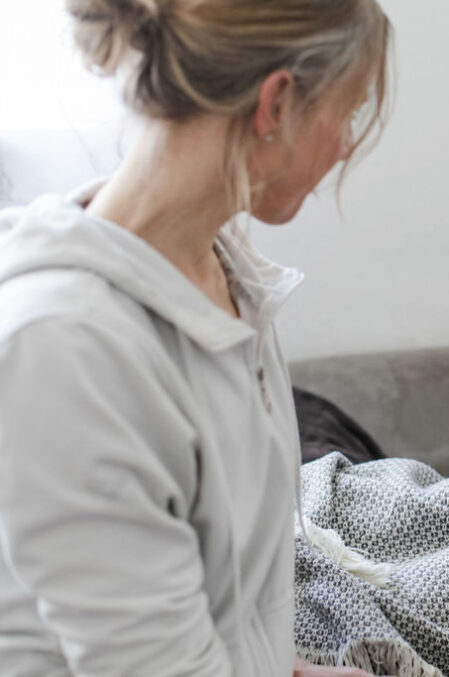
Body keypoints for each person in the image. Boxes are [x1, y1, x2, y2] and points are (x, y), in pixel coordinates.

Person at [0, 0, 390, 675]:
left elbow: (223, 604)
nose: (346, 144)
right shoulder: (61, 348)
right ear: (275, 104)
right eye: (348, 111)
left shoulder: (227, 278)